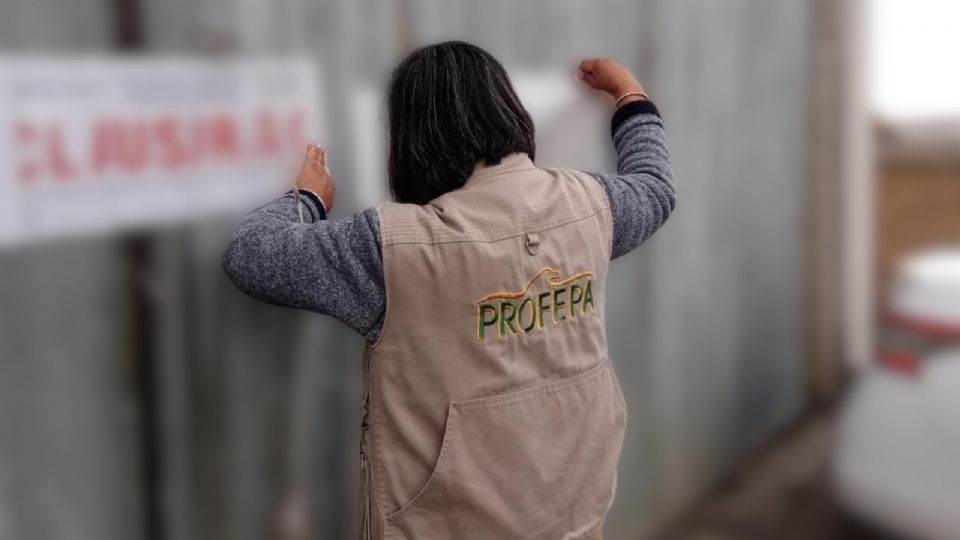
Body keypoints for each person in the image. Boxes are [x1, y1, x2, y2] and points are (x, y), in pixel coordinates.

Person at [222, 41, 675, 540]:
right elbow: (655, 186)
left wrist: (307, 198)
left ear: (414, 139)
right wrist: (629, 95)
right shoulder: (592, 205)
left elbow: (252, 255)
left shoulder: (390, 248)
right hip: (575, 517)